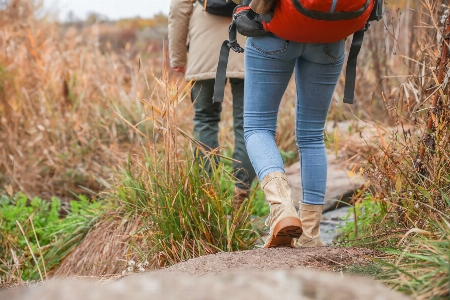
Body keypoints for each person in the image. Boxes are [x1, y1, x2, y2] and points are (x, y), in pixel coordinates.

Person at [242, 0, 345, 248]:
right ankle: (310, 233)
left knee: (258, 126)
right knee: (312, 135)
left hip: (275, 30)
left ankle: (282, 209)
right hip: (331, 36)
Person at [168, 0, 256, 208]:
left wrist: (178, 56)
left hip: (204, 46)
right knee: (248, 124)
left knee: (205, 120)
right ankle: (241, 193)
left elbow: (178, 9)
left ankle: (209, 194)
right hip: (248, 42)